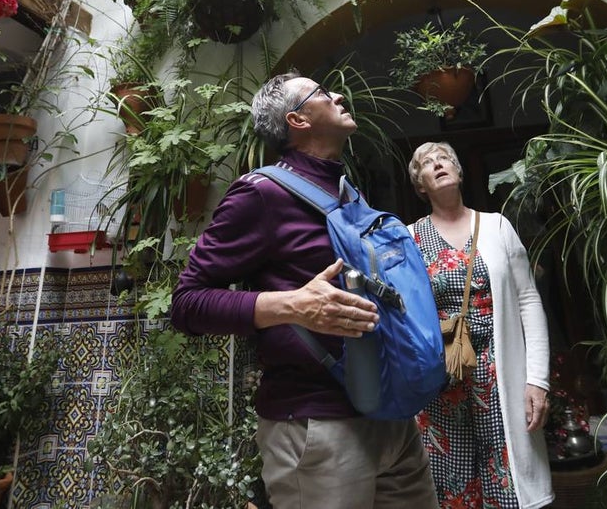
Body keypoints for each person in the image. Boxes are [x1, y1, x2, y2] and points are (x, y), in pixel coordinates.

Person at [171, 72, 441, 509]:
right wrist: (292, 305)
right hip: (318, 426)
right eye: (322, 92)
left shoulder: (344, 191)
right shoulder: (261, 195)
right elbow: (187, 302)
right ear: (297, 120)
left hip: (389, 414)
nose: (337, 94)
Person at [408, 141, 553, 509]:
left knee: (508, 482)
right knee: (449, 485)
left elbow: (528, 301)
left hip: (498, 374)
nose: (438, 164)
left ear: (459, 172)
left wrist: (537, 378)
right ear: (420, 184)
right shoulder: (408, 238)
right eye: (428, 163)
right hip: (441, 381)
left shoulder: (496, 226)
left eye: (445, 159)